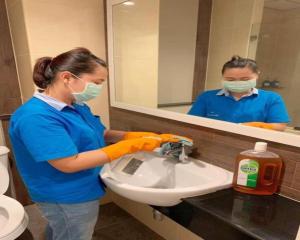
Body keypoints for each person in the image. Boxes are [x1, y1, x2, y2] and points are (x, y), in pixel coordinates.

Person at [8, 47, 189, 240]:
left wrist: (132, 136)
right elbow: (69, 163)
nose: (99, 89)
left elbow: (99, 133)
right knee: (72, 233)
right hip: (65, 195)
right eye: (96, 82)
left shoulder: (75, 105)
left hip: (80, 186)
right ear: (67, 77)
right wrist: (129, 146)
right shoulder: (36, 116)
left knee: (61, 230)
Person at [188, 55, 289, 131]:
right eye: (230, 80)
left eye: (245, 79)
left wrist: (257, 126)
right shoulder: (207, 97)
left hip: (253, 147)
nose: (237, 83)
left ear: (257, 75)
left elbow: (280, 126)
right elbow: (191, 122)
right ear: (222, 77)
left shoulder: (271, 98)